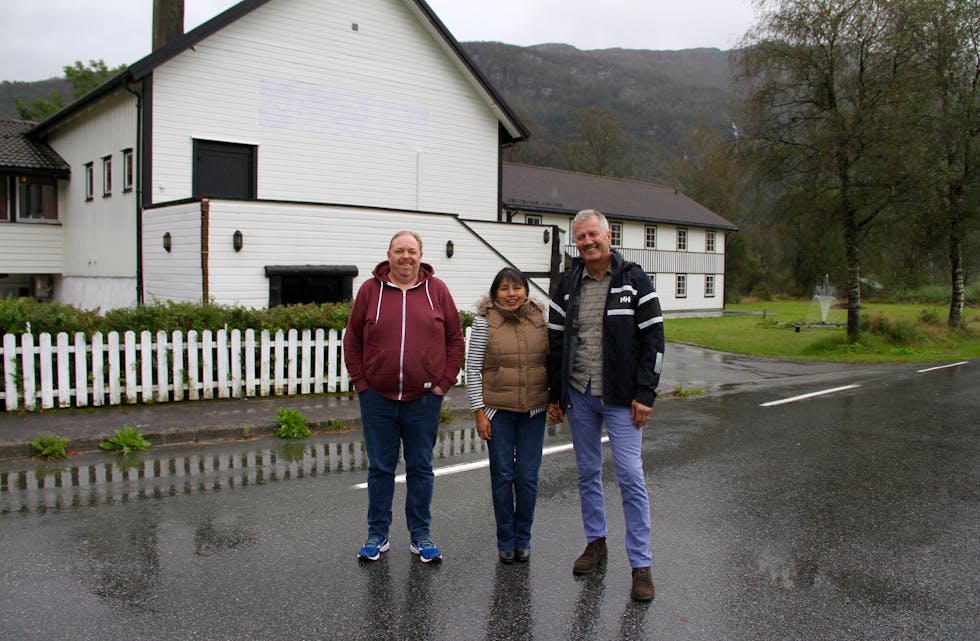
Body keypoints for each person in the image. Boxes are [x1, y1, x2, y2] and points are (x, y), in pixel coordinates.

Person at [547, 209, 665, 602]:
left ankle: (641, 564)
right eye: (580, 238)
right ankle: (596, 542)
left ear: (608, 234)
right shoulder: (567, 284)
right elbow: (556, 343)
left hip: (621, 398)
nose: (587, 242)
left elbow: (654, 342)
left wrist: (645, 394)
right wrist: (556, 394)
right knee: (587, 473)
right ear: (575, 243)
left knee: (631, 477)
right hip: (580, 394)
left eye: (593, 235)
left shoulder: (635, 279)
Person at [344, 230, 465, 564]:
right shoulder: (371, 291)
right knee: (380, 468)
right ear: (389, 255)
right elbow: (352, 340)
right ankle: (377, 534)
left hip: (424, 400)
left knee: (420, 468)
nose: (406, 257)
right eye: (399, 251)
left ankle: (420, 536)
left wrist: (444, 382)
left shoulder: (437, 291)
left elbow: (455, 338)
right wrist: (361, 384)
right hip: (377, 399)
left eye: (412, 251)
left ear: (421, 255)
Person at [466, 268, 549, 564]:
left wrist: (557, 400)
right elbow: (473, 369)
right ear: (494, 293)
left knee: (527, 478)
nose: (511, 294)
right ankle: (506, 538)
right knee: (502, 477)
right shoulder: (484, 322)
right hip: (497, 412)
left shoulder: (541, 319)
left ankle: (523, 535)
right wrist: (479, 412)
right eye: (504, 288)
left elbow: (551, 362)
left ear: (526, 291)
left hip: (533, 412)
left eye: (516, 288)